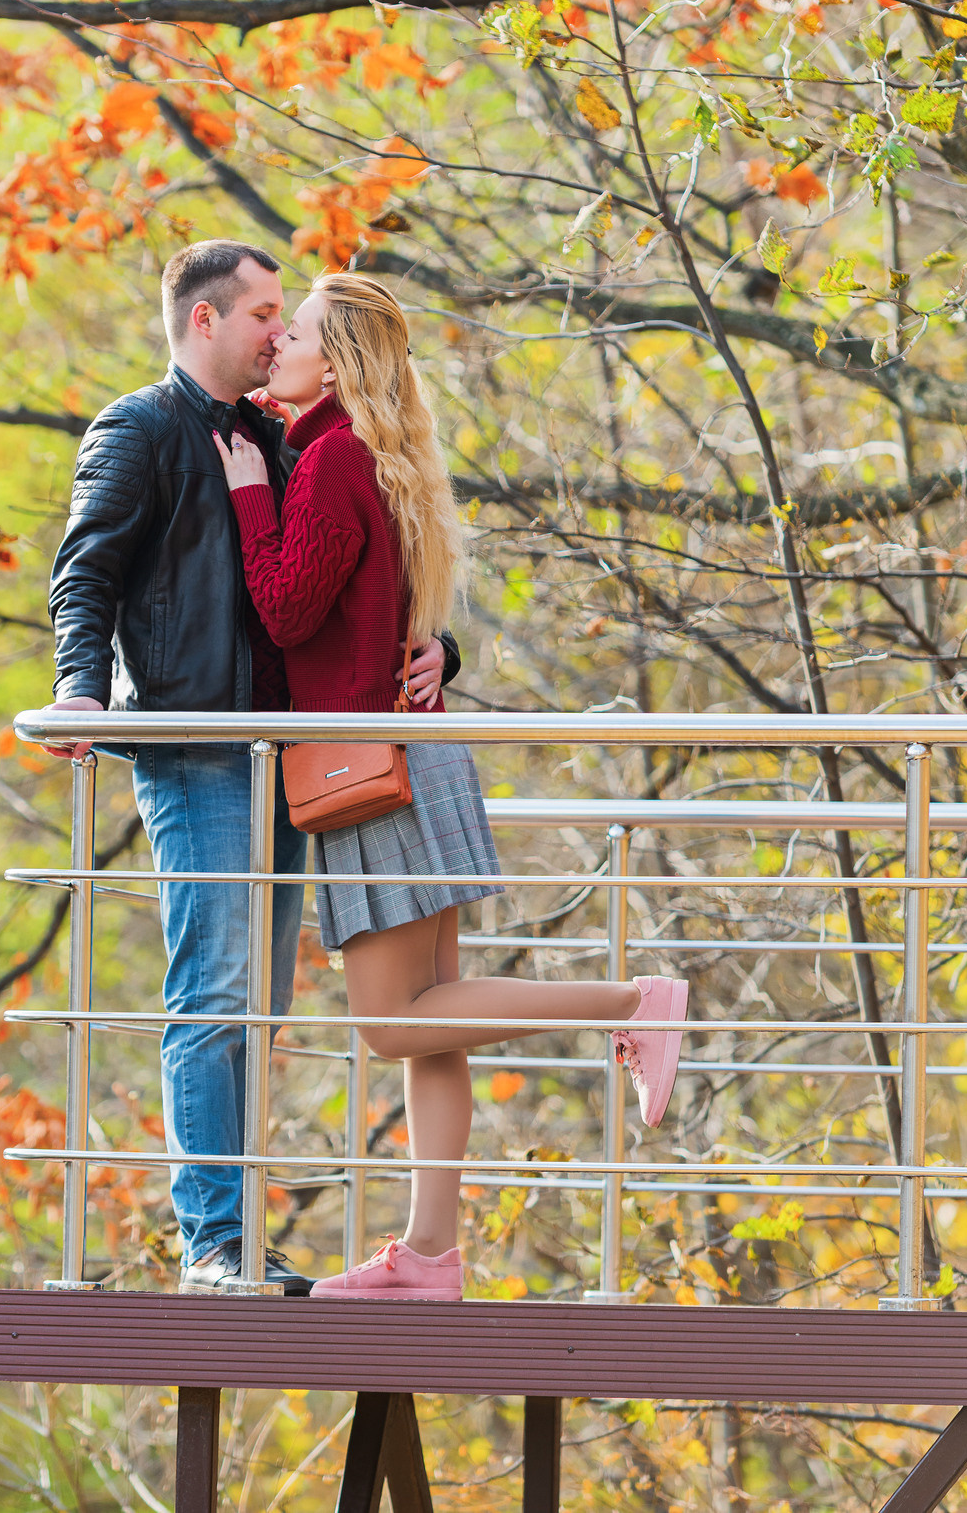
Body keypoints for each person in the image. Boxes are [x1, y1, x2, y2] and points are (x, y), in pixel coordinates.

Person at [214, 271, 691, 1303]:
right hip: (414, 752)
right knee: (435, 1024)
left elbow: (290, 610)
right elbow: (388, 609)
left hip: (370, 771)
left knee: (394, 1023)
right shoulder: (369, 450)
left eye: (288, 334)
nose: (272, 348)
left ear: (332, 362)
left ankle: (632, 997)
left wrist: (252, 494)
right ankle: (429, 1255)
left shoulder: (331, 459)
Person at [43, 240, 458, 1294]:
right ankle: (212, 1247)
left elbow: (360, 570)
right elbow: (83, 573)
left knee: (261, 999)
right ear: (204, 322)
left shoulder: (284, 436)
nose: (280, 330)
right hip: (196, 750)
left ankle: (238, 1239)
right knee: (217, 991)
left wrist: (445, 649)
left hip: (288, 759)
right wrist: (82, 690)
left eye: (288, 315)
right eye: (264, 311)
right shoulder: (137, 430)